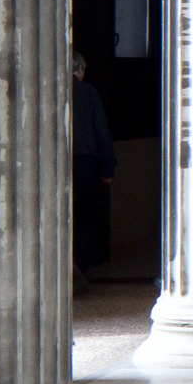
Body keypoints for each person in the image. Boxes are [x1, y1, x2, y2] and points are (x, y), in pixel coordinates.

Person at [69, 51, 115, 296]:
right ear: (81, 69)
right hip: (85, 164)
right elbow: (101, 133)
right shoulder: (88, 93)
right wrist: (108, 168)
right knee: (86, 218)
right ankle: (79, 269)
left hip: (59, 166)